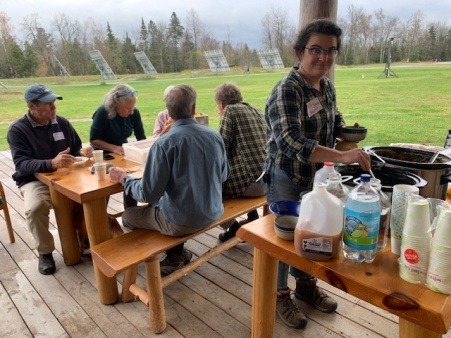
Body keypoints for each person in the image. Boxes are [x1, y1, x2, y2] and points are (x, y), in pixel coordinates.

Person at [264, 19, 371, 329]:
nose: (323, 57)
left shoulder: (326, 86)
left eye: (331, 51)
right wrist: (342, 155)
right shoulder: (288, 88)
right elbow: (292, 141)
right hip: (287, 175)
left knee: (317, 228)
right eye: (315, 50)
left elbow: (334, 121)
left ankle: (306, 287)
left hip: (318, 178)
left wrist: (349, 135)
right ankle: (279, 294)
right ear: (300, 52)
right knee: (285, 239)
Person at [109, 84, 229, 276]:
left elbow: (148, 193)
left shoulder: (164, 143)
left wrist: (124, 179)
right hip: (214, 211)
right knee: (169, 201)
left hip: (180, 221)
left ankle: (170, 255)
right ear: (193, 108)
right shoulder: (214, 136)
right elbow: (223, 176)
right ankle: (177, 252)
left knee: (128, 216)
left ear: (169, 111)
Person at [7, 84, 93, 275]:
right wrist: (50, 163)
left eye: (54, 102)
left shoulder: (61, 122)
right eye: (48, 103)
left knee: (94, 194)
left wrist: (83, 152)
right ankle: (45, 252)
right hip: (34, 180)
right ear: (32, 106)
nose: (54, 106)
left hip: (68, 176)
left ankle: (86, 236)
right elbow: (21, 163)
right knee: (35, 208)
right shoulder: (18, 130)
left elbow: (76, 147)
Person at [214, 83, 266, 242]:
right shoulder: (255, 110)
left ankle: (235, 229)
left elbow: (220, 149)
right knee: (246, 166)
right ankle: (253, 218)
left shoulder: (230, 111)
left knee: (208, 192)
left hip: (253, 185)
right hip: (267, 180)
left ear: (221, 104)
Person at [90, 84, 146, 155]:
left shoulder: (134, 112)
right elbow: (94, 140)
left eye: (133, 106)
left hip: (123, 152)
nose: (131, 111)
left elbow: (141, 136)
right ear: (116, 103)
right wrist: (114, 148)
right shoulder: (103, 112)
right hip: (104, 155)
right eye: (128, 108)